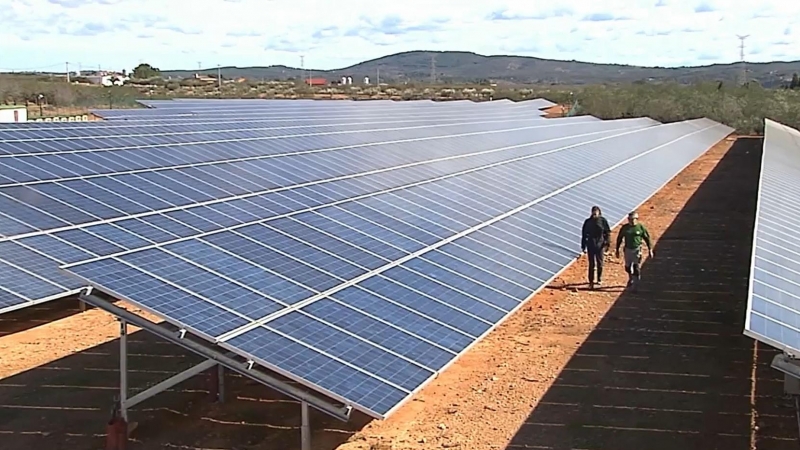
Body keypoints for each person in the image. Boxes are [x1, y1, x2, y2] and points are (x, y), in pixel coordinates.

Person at [615, 211, 654, 289]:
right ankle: (630, 278)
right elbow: (619, 238)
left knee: (636, 266)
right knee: (627, 267)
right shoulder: (625, 228)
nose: (632, 221)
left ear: (637, 219)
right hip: (627, 250)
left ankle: (636, 283)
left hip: (636, 250)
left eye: (633, 219)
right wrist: (617, 250)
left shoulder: (640, 227)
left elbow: (647, 238)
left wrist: (650, 249)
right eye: (630, 219)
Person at [581, 206, 611, 289]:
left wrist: (607, 243)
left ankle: (599, 278)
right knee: (591, 264)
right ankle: (591, 281)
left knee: (600, 263)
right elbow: (584, 234)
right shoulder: (588, 222)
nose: (594, 214)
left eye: (596, 213)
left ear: (599, 213)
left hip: (600, 245)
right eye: (593, 213)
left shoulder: (602, 221)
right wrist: (583, 245)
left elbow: (607, 232)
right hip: (590, 245)